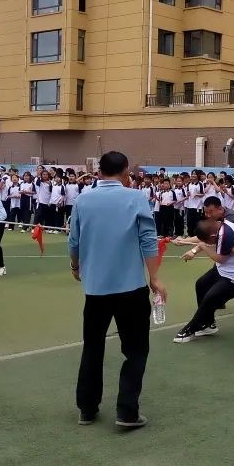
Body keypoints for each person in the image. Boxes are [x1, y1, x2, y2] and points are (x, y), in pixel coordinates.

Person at [70, 151, 164, 428]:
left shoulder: (83, 199)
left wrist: (76, 266)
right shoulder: (135, 198)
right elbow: (148, 240)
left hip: (96, 288)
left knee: (93, 347)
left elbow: (73, 240)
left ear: (99, 172)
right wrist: (155, 277)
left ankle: (87, 408)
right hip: (131, 288)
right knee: (136, 350)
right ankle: (127, 411)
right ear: (125, 173)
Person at [173, 216, 234, 342]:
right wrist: (188, 243)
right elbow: (203, 239)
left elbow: (220, 258)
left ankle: (191, 328)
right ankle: (208, 323)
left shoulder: (226, 234)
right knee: (201, 284)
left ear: (212, 236)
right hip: (227, 267)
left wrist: (203, 246)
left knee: (211, 298)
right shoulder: (218, 227)